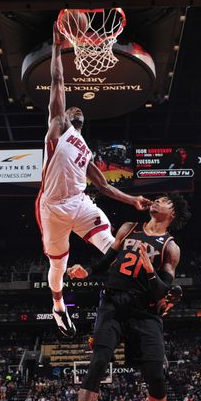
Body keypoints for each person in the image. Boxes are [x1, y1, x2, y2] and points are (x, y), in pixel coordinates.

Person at [38, 22, 152, 337]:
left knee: (112, 245)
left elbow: (102, 185)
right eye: (72, 106)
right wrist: (57, 47)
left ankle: (132, 294)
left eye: (79, 111)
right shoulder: (58, 127)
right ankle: (58, 306)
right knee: (58, 266)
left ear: (82, 121)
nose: (75, 108)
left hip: (79, 202)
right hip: (52, 207)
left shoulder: (85, 149)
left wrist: (133, 200)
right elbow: (57, 80)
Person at [67, 193, 191, 401]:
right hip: (112, 303)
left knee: (155, 374)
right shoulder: (129, 227)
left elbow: (161, 291)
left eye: (163, 201)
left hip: (144, 310)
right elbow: (107, 261)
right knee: (98, 362)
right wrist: (86, 271)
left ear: (172, 213)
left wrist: (150, 271)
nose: (156, 201)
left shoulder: (171, 247)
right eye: (157, 199)